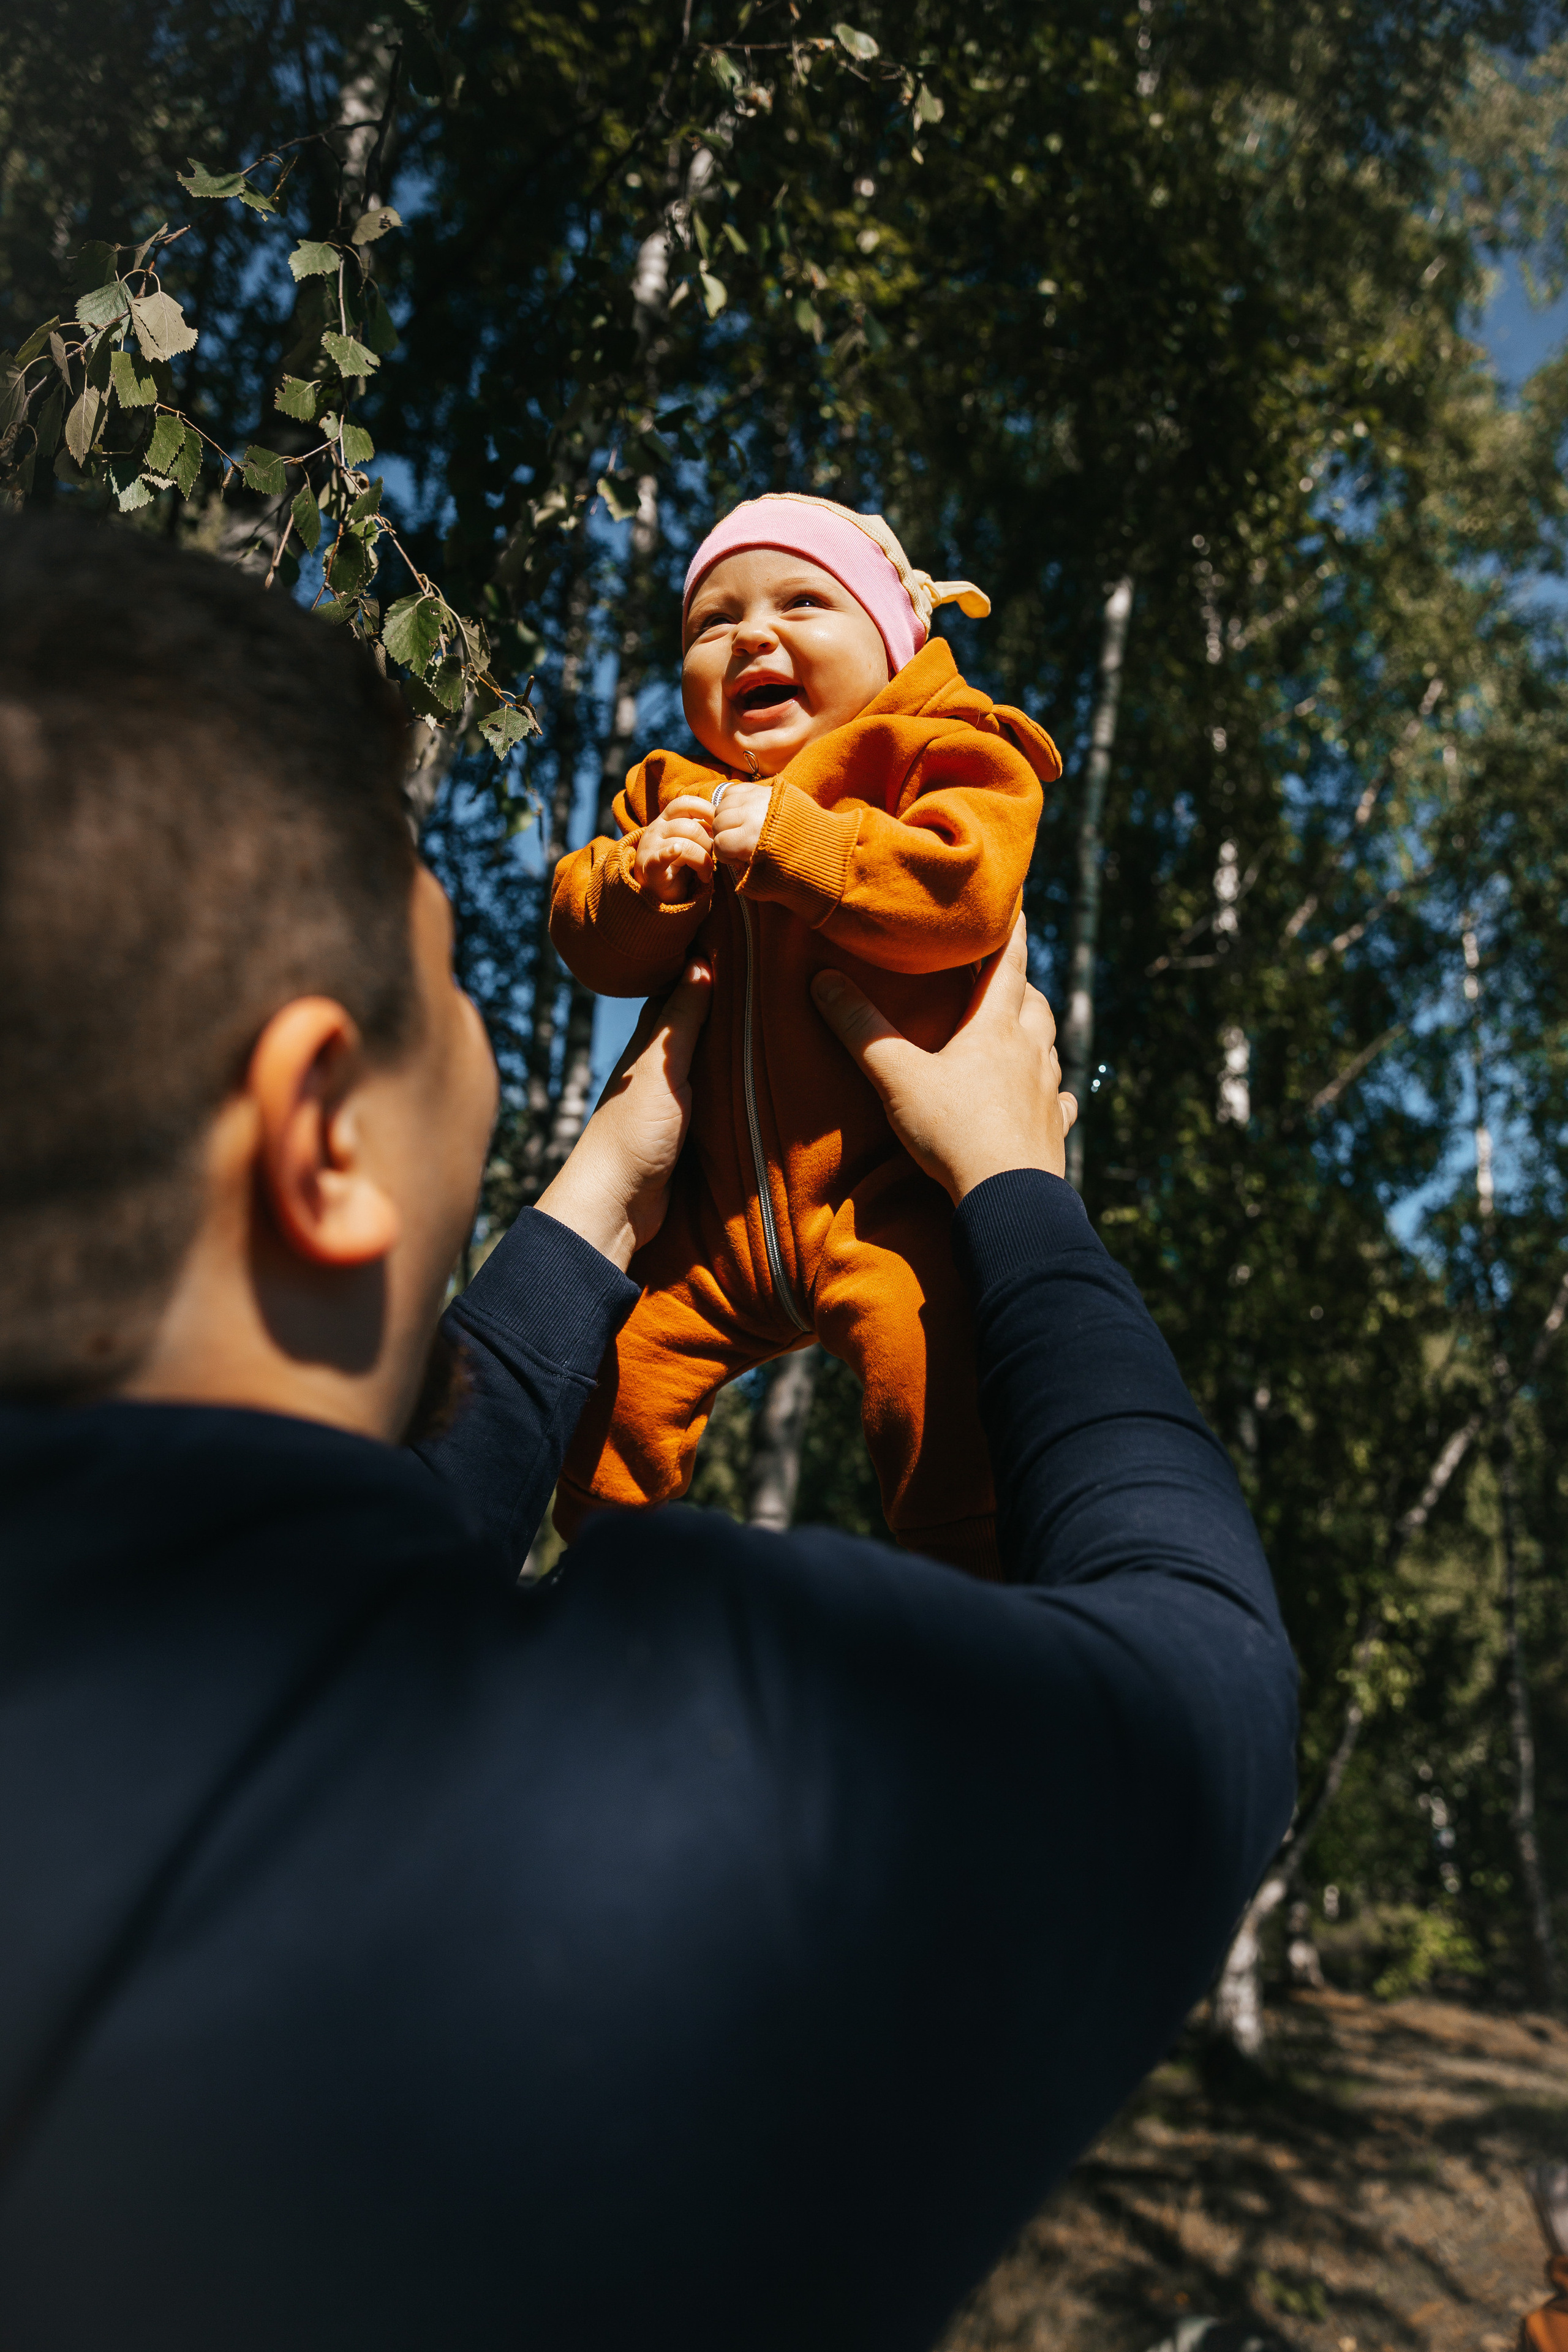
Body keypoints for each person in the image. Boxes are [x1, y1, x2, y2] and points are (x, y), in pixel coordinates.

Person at [0, 515, 1297, 2352]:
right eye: (446, 982)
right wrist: (1020, 1179)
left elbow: (365, 1552)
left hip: (830, 1221)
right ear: (322, 1138)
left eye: (799, 606)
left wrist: (598, 1194)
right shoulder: (722, 1770)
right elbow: (1213, 1683)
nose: (752, 643)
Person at [549, 493, 1062, 1576]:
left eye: (801, 601)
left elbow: (964, 890)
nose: (751, 637)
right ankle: (600, 1583)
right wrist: (644, 888)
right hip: (711, 1219)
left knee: (943, 1374)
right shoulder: (668, 795)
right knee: (614, 1382)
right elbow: (589, 942)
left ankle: (979, 1590)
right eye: (710, 623)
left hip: (887, 1192)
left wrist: (802, 844)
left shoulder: (941, 753)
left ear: (893, 639)